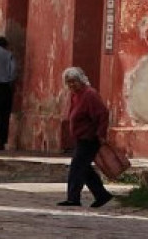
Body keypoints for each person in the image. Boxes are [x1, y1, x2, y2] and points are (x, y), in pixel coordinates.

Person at [58, 66, 114, 208]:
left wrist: (101, 134)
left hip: (89, 138)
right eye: (69, 82)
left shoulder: (89, 94)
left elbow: (102, 114)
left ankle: (73, 198)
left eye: (74, 81)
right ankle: (102, 195)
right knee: (85, 169)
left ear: (81, 80)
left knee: (77, 168)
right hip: (80, 137)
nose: (71, 85)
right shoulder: (75, 95)